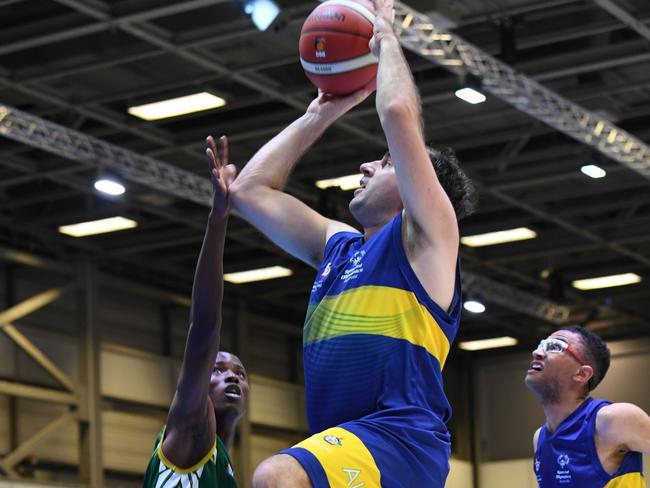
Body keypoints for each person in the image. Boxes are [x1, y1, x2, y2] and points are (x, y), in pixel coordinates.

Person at [214, 0, 476, 484]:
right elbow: (248, 193)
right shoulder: (340, 247)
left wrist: (386, 39)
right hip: (347, 441)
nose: (366, 168)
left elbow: (397, 111)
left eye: (385, 163)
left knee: (276, 476)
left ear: (418, 186)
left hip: (399, 438)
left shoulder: (429, 239)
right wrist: (321, 111)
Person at [142, 136, 249, 488]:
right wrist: (218, 218)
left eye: (238, 372)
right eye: (217, 370)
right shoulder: (191, 424)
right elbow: (204, 325)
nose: (231, 377)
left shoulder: (219, 457)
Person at [525, 326, 649, 487]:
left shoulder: (614, 419)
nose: (537, 352)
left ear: (582, 374)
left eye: (555, 346)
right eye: (541, 345)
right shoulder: (539, 437)